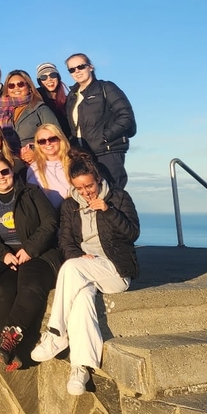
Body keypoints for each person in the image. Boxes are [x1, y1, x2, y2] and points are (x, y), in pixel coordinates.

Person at [30, 160, 140, 396]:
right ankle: (80, 368)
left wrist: (108, 211)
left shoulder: (118, 198)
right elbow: (65, 241)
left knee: (70, 268)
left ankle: (56, 333)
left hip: (115, 270)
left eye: (89, 186)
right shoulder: (70, 206)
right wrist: (79, 255)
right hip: (87, 267)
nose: (86, 192)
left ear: (97, 179)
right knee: (81, 299)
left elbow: (133, 233)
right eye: (80, 188)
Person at [0, 158, 61, 371]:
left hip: (35, 253)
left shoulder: (32, 193)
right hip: (0, 256)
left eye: (5, 172)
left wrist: (29, 249)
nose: (1, 177)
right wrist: (3, 254)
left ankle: (6, 344)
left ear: (12, 172)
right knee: (1, 288)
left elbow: (50, 222)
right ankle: (11, 349)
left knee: (30, 287)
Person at [64, 54, 136, 190]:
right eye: (72, 69)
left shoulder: (106, 87)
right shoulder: (72, 96)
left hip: (107, 152)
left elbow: (126, 116)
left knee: (113, 193)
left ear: (90, 67)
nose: (77, 71)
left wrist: (104, 137)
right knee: (92, 196)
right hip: (84, 156)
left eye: (80, 66)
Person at [0, 70, 58, 165]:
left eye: (20, 84)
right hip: (5, 164)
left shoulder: (40, 109)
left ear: (29, 87)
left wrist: (36, 151)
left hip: (35, 163)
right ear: (7, 90)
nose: (16, 88)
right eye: (11, 85)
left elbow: (57, 137)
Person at [25, 123, 93, 209]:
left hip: (79, 212)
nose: (48, 143)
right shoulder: (34, 169)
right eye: (42, 141)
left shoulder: (76, 160)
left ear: (60, 139)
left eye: (52, 139)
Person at [34, 62, 71, 137]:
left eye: (53, 75)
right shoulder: (36, 101)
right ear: (40, 82)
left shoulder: (69, 99)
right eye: (43, 77)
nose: (49, 79)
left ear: (58, 77)